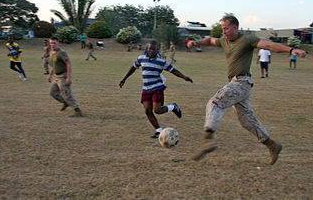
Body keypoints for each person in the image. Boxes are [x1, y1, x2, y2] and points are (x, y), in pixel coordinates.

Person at [187, 15, 307, 165]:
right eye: (222, 29)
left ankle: (208, 139)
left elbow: (268, 45)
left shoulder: (247, 40)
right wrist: (195, 42)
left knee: (215, 102)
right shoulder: (224, 41)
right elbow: (210, 40)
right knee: (247, 121)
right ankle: (272, 145)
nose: (224, 32)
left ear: (235, 27)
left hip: (242, 82)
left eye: (226, 28)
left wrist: (291, 49)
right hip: (237, 83)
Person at [119, 40, 193, 138]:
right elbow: (133, 68)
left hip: (157, 88)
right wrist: (124, 79)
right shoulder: (141, 59)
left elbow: (173, 70)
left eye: (153, 49)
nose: (151, 51)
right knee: (147, 111)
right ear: (146, 49)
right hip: (146, 89)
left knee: (157, 110)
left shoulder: (160, 62)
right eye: (149, 49)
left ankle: (173, 107)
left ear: (157, 50)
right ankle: (159, 131)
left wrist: (184, 77)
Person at [48, 36, 83, 117]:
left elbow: (68, 63)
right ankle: (65, 103)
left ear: (58, 43)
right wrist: (50, 75)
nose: (53, 45)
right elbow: (53, 66)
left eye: (54, 43)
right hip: (56, 76)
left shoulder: (61, 52)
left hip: (63, 76)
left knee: (66, 93)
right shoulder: (51, 53)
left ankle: (77, 110)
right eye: (51, 43)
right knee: (53, 93)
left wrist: (68, 77)